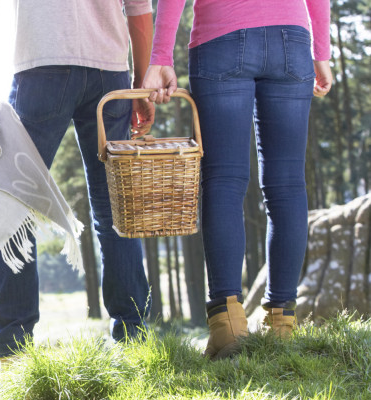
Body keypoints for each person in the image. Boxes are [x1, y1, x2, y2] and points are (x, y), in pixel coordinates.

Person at [0, 0, 157, 359]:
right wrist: (141, 80)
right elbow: (138, 7)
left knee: (14, 206)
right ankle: (134, 339)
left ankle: (15, 348)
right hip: (110, 73)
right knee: (116, 209)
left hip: (42, 68)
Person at [142, 0, 333, 360]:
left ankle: (226, 327)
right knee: (288, 184)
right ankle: (281, 325)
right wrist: (321, 51)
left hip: (221, 38)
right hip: (291, 41)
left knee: (224, 180)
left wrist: (161, 57)